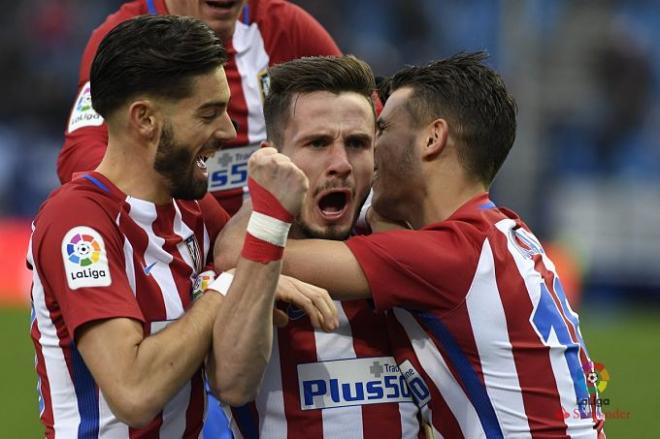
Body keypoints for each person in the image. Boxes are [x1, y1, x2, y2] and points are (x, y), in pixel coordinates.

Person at [216, 52, 606, 437]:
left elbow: (246, 252)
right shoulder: (498, 231)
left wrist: (267, 199)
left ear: (433, 138)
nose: (345, 163)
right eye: (318, 144)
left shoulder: (439, 257)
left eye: (371, 137)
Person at [28, 15, 336, 438]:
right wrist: (226, 286)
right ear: (145, 119)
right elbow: (134, 393)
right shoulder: (77, 223)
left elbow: (250, 275)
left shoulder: (191, 209)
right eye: (209, 113)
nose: (228, 131)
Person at [220, 55, 422, 438]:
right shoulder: (240, 274)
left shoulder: (410, 256)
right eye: (317, 143)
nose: (341, 163)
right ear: (273, 158)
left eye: (358, 143)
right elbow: (231, 384)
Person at [57, 0, 341, 216]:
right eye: (208, 113)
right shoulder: (123, 41)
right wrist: (199, 219)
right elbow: (80, 155)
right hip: (182, 233)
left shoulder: (284, 27)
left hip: (276, 232)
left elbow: (363, 115)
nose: (229, 131)